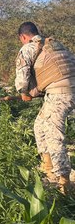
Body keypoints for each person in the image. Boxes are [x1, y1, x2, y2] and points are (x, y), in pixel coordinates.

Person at [15, 21, 75, 194]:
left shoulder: (28, 47)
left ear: (23, 37)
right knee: (39, 125)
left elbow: (23, 72)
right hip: (67, 90)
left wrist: (23, 91)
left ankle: (64, 183)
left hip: (60, 94)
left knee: (53, 134)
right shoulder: (55, 45)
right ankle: (47, 168)